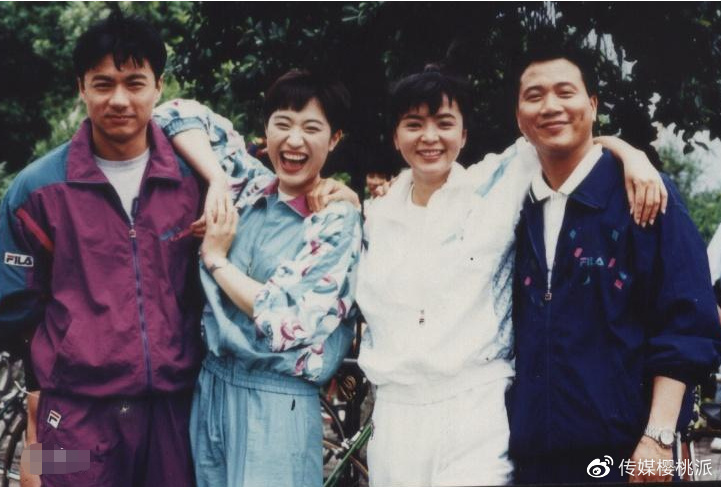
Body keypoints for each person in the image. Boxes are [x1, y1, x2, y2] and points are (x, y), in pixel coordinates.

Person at [353, 65, 667, 487]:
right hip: (396, 415)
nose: (430, 137)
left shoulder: (494, 185)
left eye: (444, 123)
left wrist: (630, 153)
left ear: (464, 134)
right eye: (413, 124)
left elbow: (561, 137)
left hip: (474, 408)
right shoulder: (376, 218)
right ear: (395, 136)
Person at [0, 12, 206, 487]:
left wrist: (328, 192)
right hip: (73, 422)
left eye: (134, 83)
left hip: (172, 415)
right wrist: (36, 437)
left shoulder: (192, 182)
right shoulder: (36, 191)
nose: (119, 99)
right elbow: (16, 312)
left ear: (158, 86)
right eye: (103, 83)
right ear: (81, 88)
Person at [509, 46, 721, 484]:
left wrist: (658, 438)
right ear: (519, 117)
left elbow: (687, 323)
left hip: (626, 457)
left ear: (592, 105)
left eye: (565, 92)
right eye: (534, 95)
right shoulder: (513, 207)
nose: (550, 106)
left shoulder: (646, 196)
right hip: (533, 458)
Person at [152, 70, 363, 487]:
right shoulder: (246, 186)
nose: (294, 140)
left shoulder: (336, 219)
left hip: (277, 400)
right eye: (282, 124)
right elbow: (173, 112)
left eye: (311, 128)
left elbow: (288, 318)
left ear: (334, 139)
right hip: (211, 385)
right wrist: (216, 180)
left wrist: (216, 259)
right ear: (265, 131)